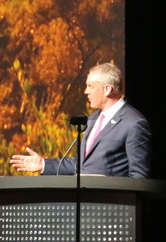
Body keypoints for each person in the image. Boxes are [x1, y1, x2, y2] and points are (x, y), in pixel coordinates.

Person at [9, 63, 151, 178]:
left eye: (90, 86)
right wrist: (43, 164)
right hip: (84, 203)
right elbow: (82, 164)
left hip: (111, 205)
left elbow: (138, 177)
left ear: (107, 89)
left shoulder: (133, 123)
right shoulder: (94, 118)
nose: (85, 91)